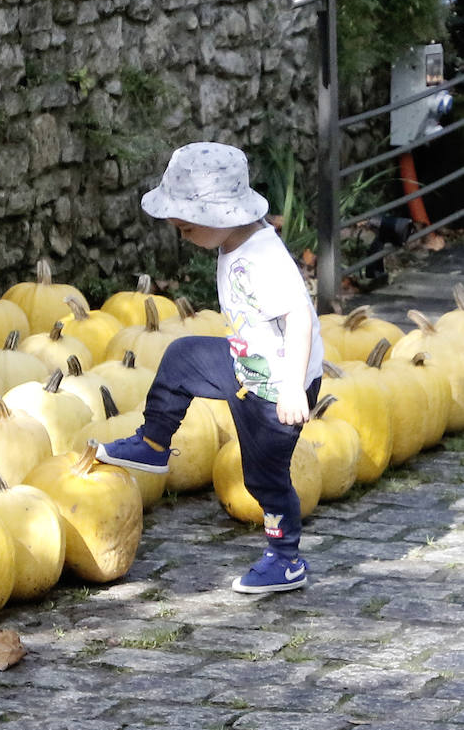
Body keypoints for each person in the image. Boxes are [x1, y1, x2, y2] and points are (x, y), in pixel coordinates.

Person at [95, 142, 324, 594]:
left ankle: (285, 559)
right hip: (244, 365)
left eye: (186, 227)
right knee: (182, 357)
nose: (183, 236)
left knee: (264, 478)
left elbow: (299, 316)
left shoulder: (264, 258)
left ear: (221, 217)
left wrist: (295, 388)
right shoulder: (234, 244)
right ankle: (153, 443)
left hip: (278, 390)